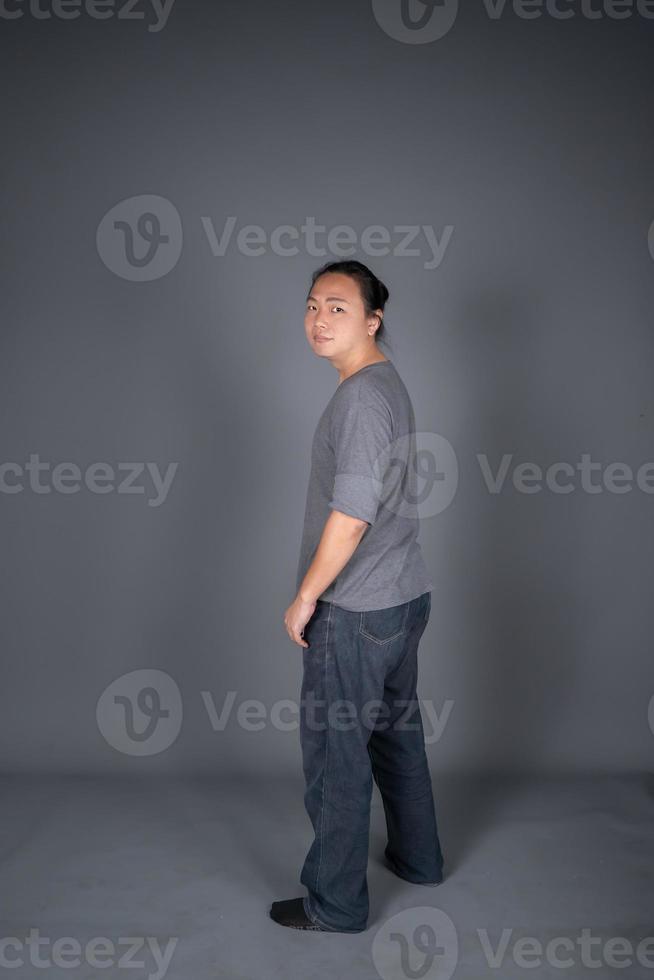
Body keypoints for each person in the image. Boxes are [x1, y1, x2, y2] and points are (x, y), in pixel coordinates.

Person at [270, 259, 444, 933]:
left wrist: (307, 596)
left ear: (373, 319)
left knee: (336, 756)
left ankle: (336, 905)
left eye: (338, 307)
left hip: (359, 610)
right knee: (397, 739)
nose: (319, 318)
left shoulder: (363, 399)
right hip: (404, 596)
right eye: (313, 304)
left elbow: (352, 513)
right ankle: (419, 860)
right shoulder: (381, 384)